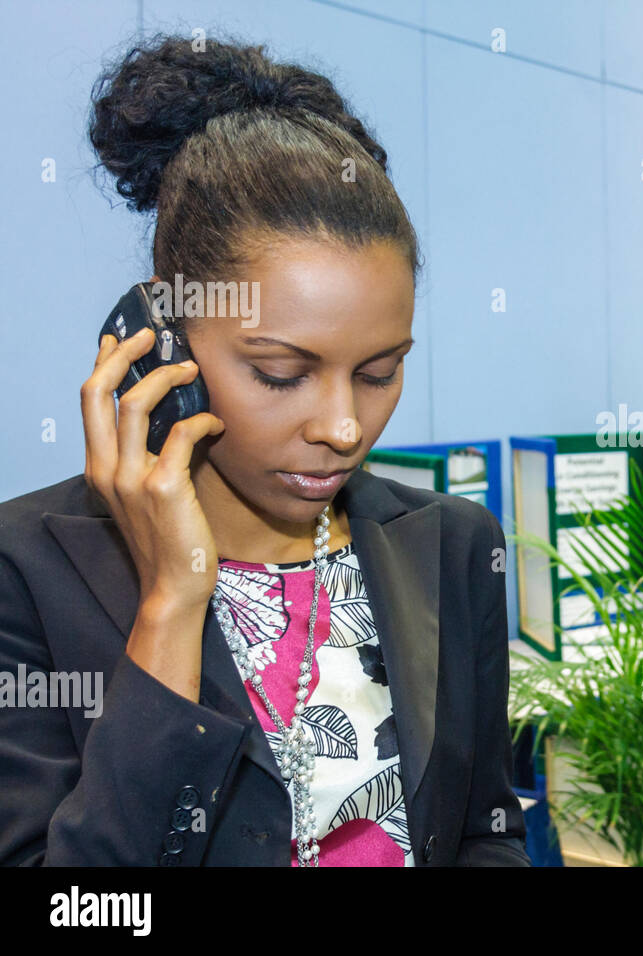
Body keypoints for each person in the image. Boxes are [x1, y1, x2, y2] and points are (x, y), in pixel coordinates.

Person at [0, 37, 527, 866]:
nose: (345, 428)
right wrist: (172, 601)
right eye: (282, 374)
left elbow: (484, 833)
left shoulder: (455, 547)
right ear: (159, 344)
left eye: (380, 373)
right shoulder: (27, 573)